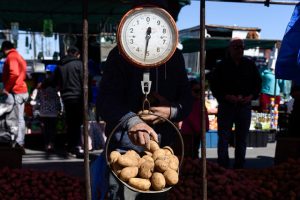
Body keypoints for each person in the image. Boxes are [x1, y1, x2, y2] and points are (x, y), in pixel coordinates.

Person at [96, 4, 193, 199]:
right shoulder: (118, 56)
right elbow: (105, 101)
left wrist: (171, 111)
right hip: (124, 151)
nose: (150, 35)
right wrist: (132, 121)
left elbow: (187, 101)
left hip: (161, 156)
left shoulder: (176, 59)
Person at [210, 38, 262, 169]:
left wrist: (250, 97)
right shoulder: (221, 65)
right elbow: (214, 85)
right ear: (230, 49)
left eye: (241, 47)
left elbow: (258, 84)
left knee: (242, 138)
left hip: (244, 106)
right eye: (236, 47)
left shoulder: (250, 65)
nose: (239, 50)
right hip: (226, 106)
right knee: (224, 137)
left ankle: (239, 165)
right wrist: (226, 96)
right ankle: (222, 165)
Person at [53, 46, 84, 158]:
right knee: (77, 123)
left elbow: (54, 81)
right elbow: (85, 81)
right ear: (77, 54)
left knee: (71, 123)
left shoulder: (60, 65)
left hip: (66, 97)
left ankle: (71, 146)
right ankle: (76, 147)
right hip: (78, 97)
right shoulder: (80, 64)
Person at [1, 41, 29, 152]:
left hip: (16, 91)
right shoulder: (18, 56)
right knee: (20, 118)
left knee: (16, 119)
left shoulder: (11, 56)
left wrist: (6, 89)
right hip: (21, 90)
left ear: (5, 48)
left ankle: (18, 143)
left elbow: (14, 73)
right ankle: (19, 142)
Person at [32, 68, 63, 152]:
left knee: (45, 130)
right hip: (53, 113)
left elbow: (37, 101)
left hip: (43, 112)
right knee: (53, 129)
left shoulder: (41, 91)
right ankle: (51, 144)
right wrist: (60, 110)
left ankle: (46, 145)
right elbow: (58, 101)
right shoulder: (54, 91)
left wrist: (35, 109)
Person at [180, 79, 209, 159]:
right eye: (196, 91)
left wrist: (206, 127)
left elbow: (205, 115)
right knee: (189, 152)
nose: (199, 93)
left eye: (200, 91)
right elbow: (190, 117)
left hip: (197, 132)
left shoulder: (200, 102)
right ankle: (189, 169)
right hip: (189, 132)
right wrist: (199, 129)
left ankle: (194, 168)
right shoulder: (189, 102)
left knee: (195, 151)